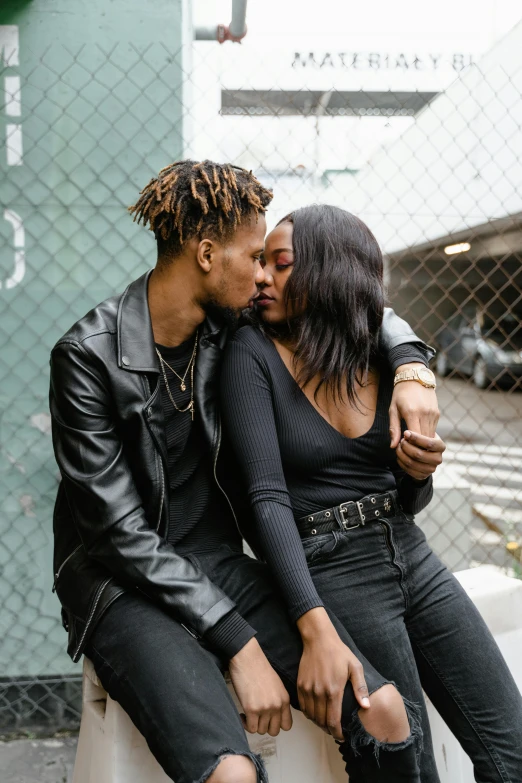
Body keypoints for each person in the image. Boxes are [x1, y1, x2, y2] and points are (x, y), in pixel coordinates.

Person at [50, 162, 441, 783]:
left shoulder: (229, 325)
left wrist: (413, 364)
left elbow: (355, 305)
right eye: (255, 257)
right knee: (231, 772)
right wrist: (240, 645)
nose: (265, 275)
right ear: (207, 254)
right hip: (120, 584)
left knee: (384, 711)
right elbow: (119, 537)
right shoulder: (87, 358)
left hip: (219, 562)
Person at [220, 203, 522, 782]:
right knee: (411, 768)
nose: (262, 277)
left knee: (510, 753)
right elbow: (266, 500)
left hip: (409, 551)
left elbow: (408, 501)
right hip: (331, 569)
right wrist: (313, 624)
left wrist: (416, 468)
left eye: (279, 265)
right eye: (262, 264)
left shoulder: (378, 351)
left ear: (329, 272)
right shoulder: (250, 353)